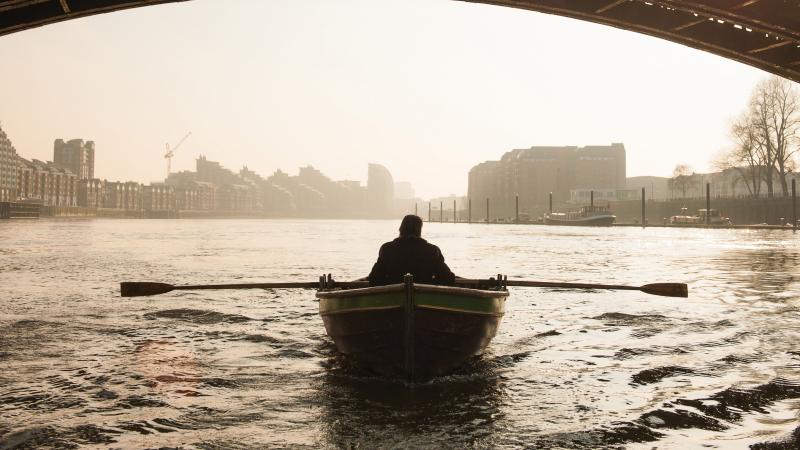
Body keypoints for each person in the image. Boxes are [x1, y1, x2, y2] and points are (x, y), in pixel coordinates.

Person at [368, 215, 456, 286]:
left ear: (401, 229)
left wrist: (391, 283)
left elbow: (374, 279)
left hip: (393, 298)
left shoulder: (386, 249)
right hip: (424, 298)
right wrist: (430, 283)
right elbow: (448, 279)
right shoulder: (432, 250)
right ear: (419, 230)